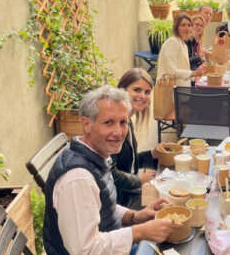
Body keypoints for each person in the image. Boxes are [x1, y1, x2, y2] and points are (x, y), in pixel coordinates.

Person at [43, 85, 179, 254]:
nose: (119, 132)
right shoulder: (78, 179)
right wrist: (140, 232)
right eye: (108, 123)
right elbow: (85, 250)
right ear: (86, 124)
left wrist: (135, 216)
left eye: (123, 122)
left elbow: (102, 205)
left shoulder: (96, 155)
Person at [112, 68, 157, 209]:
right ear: (122, 90)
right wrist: (139, 180)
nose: (142, 96)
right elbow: (110, 173)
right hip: (119, 201)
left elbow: (127, 160)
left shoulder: (127, 119)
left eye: (147, 92)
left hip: (127, 192)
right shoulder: (115, 124)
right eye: (137, 90)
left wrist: (152, 154)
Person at [157, 13, 205, 86]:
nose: (187, 28)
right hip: (170, 90)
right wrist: (194, 73)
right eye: (183, 25)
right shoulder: (172, 42)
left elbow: (184, 71)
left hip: (181, 89)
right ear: (176, 27)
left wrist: (198, 74)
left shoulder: (183, 45)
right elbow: (171, 71)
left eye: (189, 25)